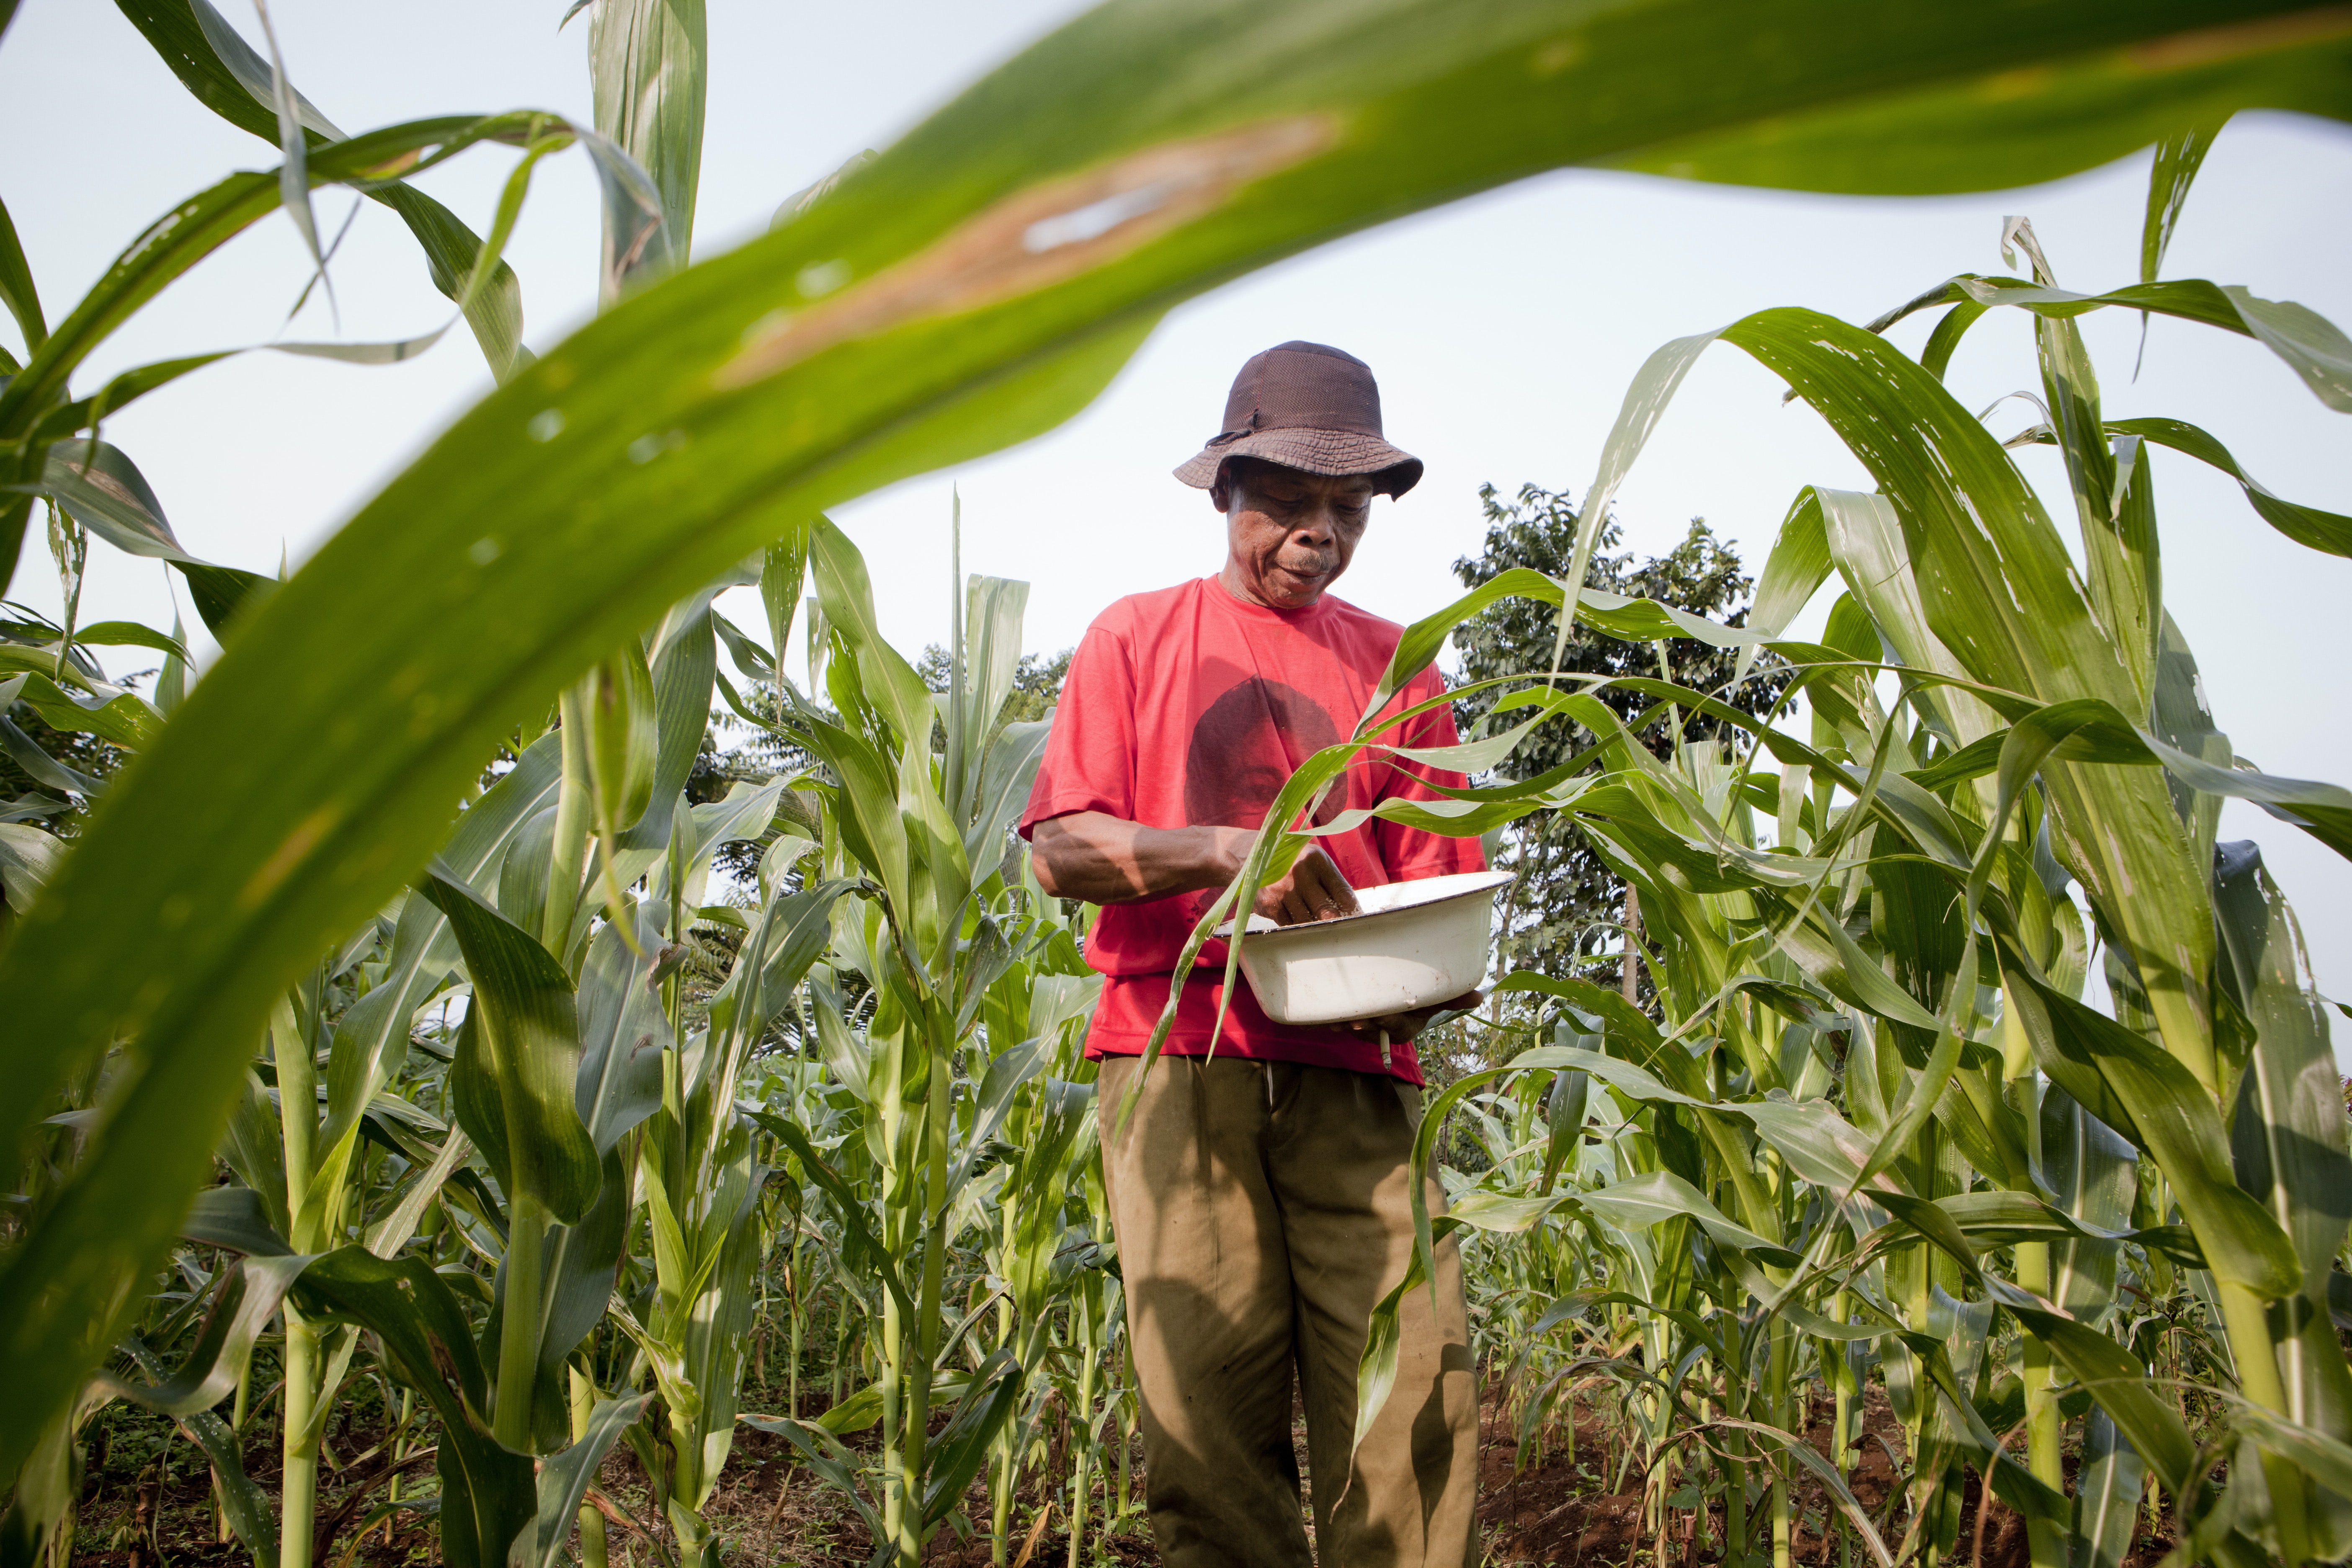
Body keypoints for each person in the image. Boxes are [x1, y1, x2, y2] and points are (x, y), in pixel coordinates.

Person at [1020, 341, 1483, 1568]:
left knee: (1415, 1397)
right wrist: (1235, 855)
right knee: (1209, 1426)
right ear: (1226, 489)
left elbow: (1441, 889)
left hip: (1363, 1075)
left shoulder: (1402, 666)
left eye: (1348, 507)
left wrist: (1439, 964)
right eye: (1287, 500)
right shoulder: (1135, 638)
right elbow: (1063, 852)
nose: (1319, 533)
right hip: (1182, 1062)